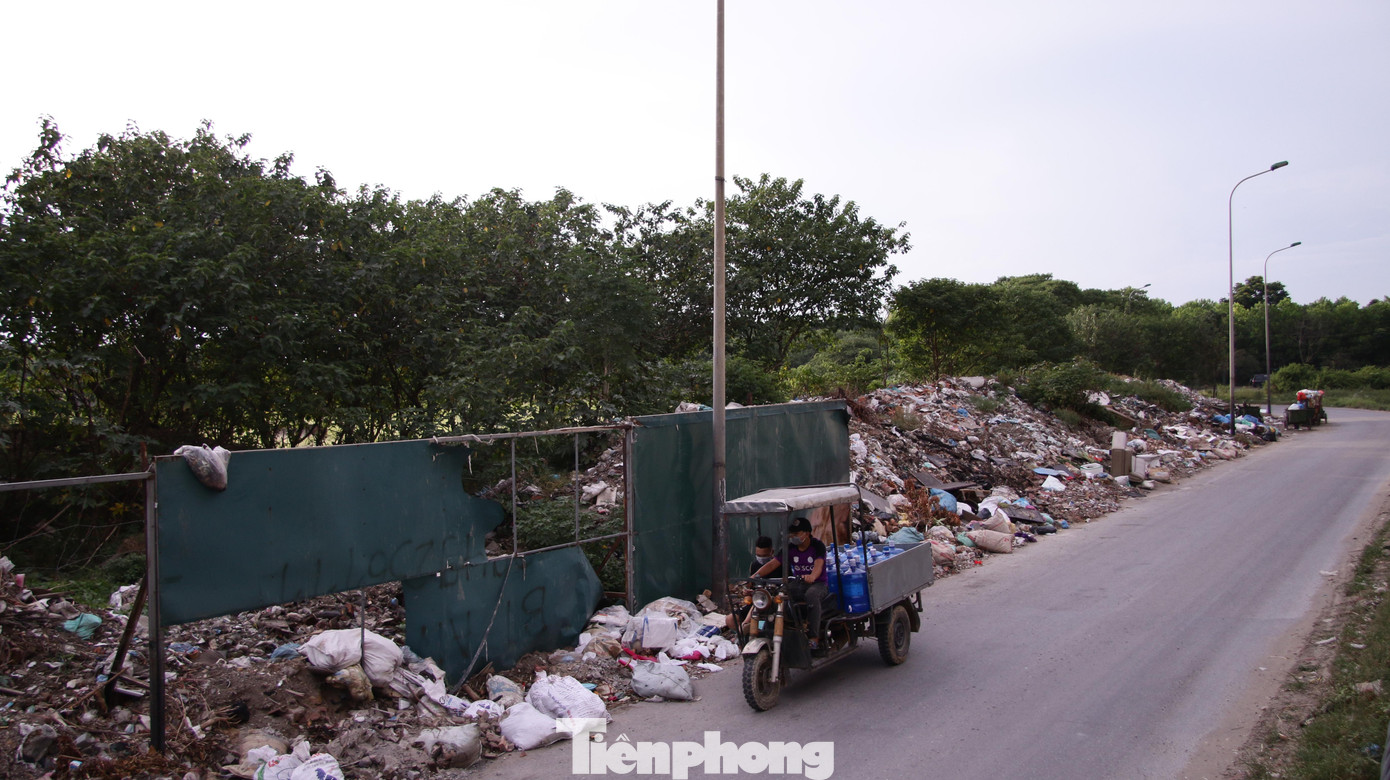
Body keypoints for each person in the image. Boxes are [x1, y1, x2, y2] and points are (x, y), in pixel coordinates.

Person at [781, 516, 829, 652]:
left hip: (818, 584)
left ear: (807, 533)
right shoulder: (790, 548)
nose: (793, 537)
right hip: (799, 583)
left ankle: (814, 638)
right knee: (781, 594)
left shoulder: (817, 546)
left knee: (811, 596)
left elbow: (819, 565)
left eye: (796, 534)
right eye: (792, 534)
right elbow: (774, 563)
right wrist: (754, 576)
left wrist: (812, 576)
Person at [729, 537, 781, 630]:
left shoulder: (781, 566)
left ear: (772, 552)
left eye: (764, 555)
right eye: (758, 555)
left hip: (775, 604)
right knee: (730, 620)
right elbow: (752, 587)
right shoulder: (755, 565)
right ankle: (745, 637)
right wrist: (748, 592)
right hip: (757, 602)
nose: (761, 559)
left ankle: (745, 627)